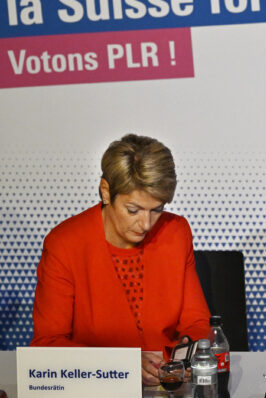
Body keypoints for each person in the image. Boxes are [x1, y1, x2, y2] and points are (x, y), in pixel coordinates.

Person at [31, 134, 210, 384]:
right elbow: (47, 343)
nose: (146, 224)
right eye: (133, 210)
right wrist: (120, 365)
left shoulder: (176, 232)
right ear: (106, 192)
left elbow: (197, 323)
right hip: (97, 386)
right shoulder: (64, 243)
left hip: (165, 385)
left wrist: (183, 356)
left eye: (157, 209)